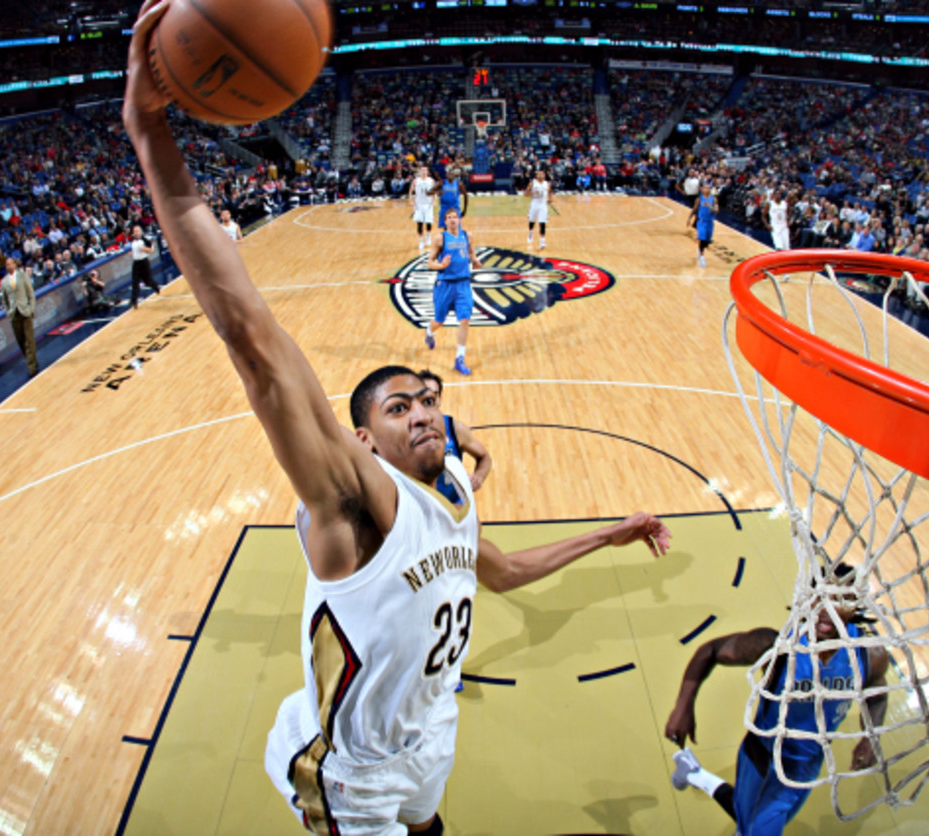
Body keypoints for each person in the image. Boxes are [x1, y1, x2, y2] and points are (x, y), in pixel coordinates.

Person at [123, 8, 672, 834]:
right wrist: (148, 131)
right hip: (353, 774)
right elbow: (253, 340)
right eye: (397, 407)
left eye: (427, 399)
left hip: (428, 737)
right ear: (358, 441)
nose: (423, 414)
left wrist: (612, 533)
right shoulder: (353, 502)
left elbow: (502, 573)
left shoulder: (449, 484)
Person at [665, 563, 889, 836]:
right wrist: (683, 706)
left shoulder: (869, 655)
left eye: (841, 601)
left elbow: (877, 691)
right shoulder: (777, 647)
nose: (826, 609)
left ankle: (692, 772)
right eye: (822, 596)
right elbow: (709, 651)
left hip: (809, 764)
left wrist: (871, 735)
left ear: (856, 608)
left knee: (756, 819)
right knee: (759, 827)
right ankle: (695, 775)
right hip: (765, 764)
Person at [417, 369, 492, 504]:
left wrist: (478, 477)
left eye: (432, 394)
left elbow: (484, 457)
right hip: (422, 507)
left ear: (440, 399)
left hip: (455, 505)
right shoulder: (404, 433)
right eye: (422, 394)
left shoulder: (455, 429)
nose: (428, 398)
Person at [426, 207, 482, 376]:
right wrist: (441, 266)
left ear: (459, 219)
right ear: (445, 221)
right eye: (449, 217)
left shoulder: (467, 236)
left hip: (463, 283)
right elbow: (430, 262)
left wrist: (476, 261)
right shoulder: (440, 239)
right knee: (439, 320)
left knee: (465, 320)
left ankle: (460, 359)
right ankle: (429, 331)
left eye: (454, 217)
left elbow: (471, 254)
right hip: (445, 285)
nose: (452, 220)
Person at [0, 257, 38, 376]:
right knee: (21, 341)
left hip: (25, 311)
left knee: (29, 340)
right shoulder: (4, 281)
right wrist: (8, 312)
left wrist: (31, 308)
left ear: (15, 264)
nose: (9, 266)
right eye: (7, 265)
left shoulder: (23, 276)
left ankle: (31, 366)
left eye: (10, 263)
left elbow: (31, 293)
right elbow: (5, 300)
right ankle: (31, 361)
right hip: (14, 314)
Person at [129, 225, 161, 309]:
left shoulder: (144, 240)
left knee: (147, 281)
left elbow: (151, 250)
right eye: (135, 231)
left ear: (141, 231)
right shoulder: (133, 241)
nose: (136, 233)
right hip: (136, 263)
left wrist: (144, 249)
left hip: (144, 262)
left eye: (138, 231)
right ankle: (134, 301)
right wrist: (132, 254)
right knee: (135, 282)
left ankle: (155, 287)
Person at [524, 169, 553, 250]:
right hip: (534, 204)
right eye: (539, 174)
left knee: (542, 223)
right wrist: (532, 193)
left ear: (544, 175)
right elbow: (525, 194)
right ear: (536, 176)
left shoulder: (547, 184)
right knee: (532, 222)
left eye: (542, 174)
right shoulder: (532, 183)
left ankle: (542, 242)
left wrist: (551, 198)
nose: (540, 175)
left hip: (543, 205)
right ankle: (530, 233)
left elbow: (550, 192)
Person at [411, 165, 438, 251]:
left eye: (425, 170)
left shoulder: (431, 181)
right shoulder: (416, 181)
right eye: (422, 170)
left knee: (428, 222)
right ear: (420, 171)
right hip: (419, 204)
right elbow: (411, 190)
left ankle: (428, 236)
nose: (423, 172)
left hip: (428, 204)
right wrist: (411, 200)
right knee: (419, 223)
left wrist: (435, 200)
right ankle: (421, 241)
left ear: (427, 171)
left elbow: (435, 191)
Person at [692, 184, 718, 269]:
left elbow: (717, 210)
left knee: (707, 242)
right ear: (702, 189)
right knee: (702, 239)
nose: (706, 189)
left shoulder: (714, 199)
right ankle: (702, 260)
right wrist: (689, 218)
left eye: (707, 188)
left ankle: (699, 250)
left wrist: (710, 206)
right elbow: (695, 209)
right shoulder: (699, 199)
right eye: (704, 188)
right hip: (701, 222)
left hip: (710, 222)